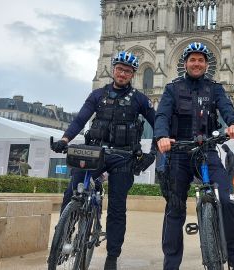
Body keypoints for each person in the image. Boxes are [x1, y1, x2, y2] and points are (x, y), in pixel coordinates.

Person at [51, 50, 155, 270]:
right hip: (95, 153)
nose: (123, 74)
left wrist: (153, 152)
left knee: (117, 208)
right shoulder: (98, 95)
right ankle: (64, 238)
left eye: (127, 71)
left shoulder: (140, 99)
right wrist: (65, 138)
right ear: (113, 70)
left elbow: (159, 124)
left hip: (123, 157)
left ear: (133, 74)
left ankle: (112, 257)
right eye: (120, 69)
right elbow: (81, 118)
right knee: (72, 193)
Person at [154, 42, 234, 270]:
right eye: (192, 60)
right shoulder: (172, 88)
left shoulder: (215, 88)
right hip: (179, 153)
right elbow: (162, 116)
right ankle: (171, 265)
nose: (196, 64)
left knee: (226, 200)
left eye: (201, 60)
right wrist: (161, 137)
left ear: (206, 64)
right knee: (175, 209)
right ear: (185, 63)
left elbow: (226, 108)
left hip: (207, 152)